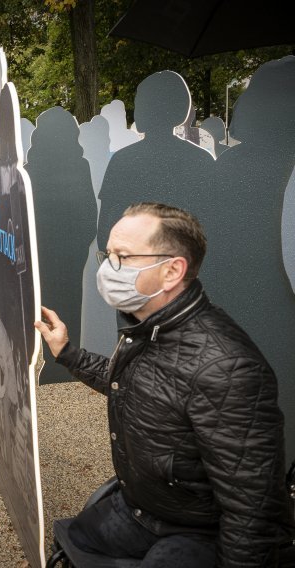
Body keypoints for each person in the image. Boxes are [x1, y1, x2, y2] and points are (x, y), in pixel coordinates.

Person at [34, 202, 294, 566]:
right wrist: (67, 353)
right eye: (107, 255)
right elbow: (135, 382)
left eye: (122, 257)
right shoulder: (149, 328)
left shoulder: (226, 366)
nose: (108, 268)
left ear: (172, 270)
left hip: (199, 531)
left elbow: (253, 510)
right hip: (142, 510)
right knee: (73, 539)